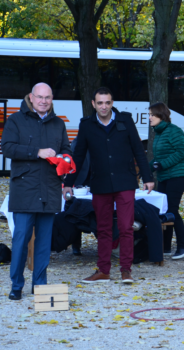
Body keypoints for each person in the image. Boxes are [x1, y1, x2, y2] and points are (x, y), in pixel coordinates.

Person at [63, 87, 154, 284]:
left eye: (108, 102)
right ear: (93, 104)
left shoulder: (125, 120)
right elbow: (78, 156)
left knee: (126, 227)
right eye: (100, 103)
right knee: (103, 228)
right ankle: (103, 270)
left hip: (125, 182)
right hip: (100, 183)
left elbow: (139, 150)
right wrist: (68, 183)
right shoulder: (86, 125)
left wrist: (147, 177)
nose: (104, 106)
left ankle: (126, 271)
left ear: (112, 103)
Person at [2, 83, 72, 300]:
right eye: (40, 97)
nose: (43, 101)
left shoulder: (58, 123)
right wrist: (37, 152)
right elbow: (7, 148)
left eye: (48, 97)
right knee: (21, 240)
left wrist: (67, 159)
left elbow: (66, 149)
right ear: (31, 98)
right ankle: (16, 285)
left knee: (44, 243)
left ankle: (40, 286)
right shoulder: (15, 120)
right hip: (25, 190)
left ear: (52, 99)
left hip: (50, 189)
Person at [149, 102, 184, 260]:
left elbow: (181, 152)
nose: (150, 117)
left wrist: (163, 164)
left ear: (161, 115)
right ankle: (165, 247)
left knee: (172, 210)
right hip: (164, 177)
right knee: (163, 210)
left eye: (152, 114)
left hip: (177, 177)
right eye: (150, 114)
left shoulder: (174, 131)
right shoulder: (158, 133)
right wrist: (145, 170)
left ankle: (182, 247)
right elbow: (158, 158)